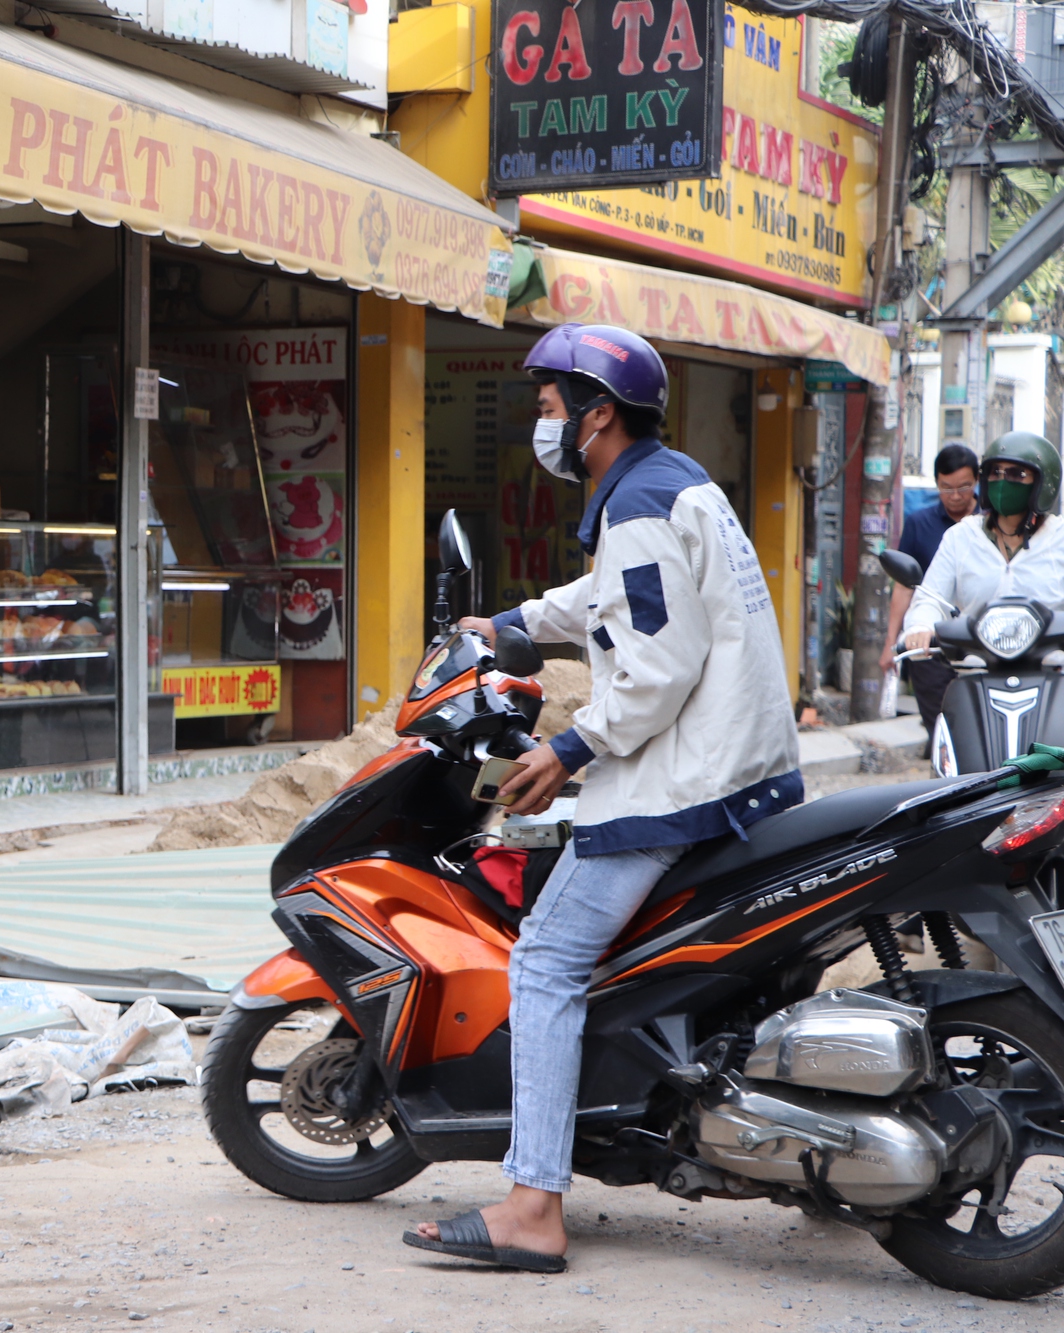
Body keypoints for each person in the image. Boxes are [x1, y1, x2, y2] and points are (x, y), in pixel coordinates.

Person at [403, 324, 802, 1273]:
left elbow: (656, 667)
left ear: (598, 415)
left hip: (685, 777)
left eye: (550, 409)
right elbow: (610, 600)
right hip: (739, 763)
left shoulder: (640, 506)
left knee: (543, 961)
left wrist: (571, 749)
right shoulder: (670, 484)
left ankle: (534, 1202)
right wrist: (510, 625)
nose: (542, 427)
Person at [901, 432, 1064, 684]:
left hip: (1052, 678)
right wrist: (920, 627)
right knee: (946, 723)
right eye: (995, 473)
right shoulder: (962, 536)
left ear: (1043, 483)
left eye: (1015, 475)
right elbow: (931, 598)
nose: (1002, 481)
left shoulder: (1060, 538)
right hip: (977, 677)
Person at [880, 445, 979, 736]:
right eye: (946, 488)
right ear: (936, 483)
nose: (956, 496)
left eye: (964, 487)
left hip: (981, 644)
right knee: (940, 728)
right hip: (931, 642)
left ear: (976, 482)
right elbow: (904, 586)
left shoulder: (994, 523)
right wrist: (891, 641)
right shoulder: (919, 523)